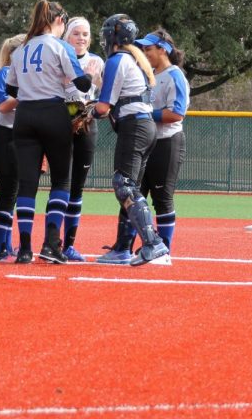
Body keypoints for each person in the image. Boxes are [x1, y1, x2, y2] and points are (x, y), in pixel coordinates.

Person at [4, 0, 92, 264]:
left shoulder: (20, 50)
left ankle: (25, 249)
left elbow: (11, 90)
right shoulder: (60, 47)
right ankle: (52, 244)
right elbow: (83, 83)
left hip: (26, 116)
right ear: (58, 21)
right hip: (54, 113)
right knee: (60, 181)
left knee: (28, 184)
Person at [93, 14, 170, 266]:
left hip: (135, 126)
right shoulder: (136, 58)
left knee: (124, 184)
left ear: (113, 37)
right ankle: (125, 248)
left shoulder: (118, 59)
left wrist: (87, 112)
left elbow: (104, 107)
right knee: (131, 187)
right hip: (144, 126)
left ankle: (153, 243)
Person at [134, 28, 190, 252]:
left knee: (162, 198)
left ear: (163, 50)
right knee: (137, 195)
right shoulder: (149, 76)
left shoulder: (174, 75)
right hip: (146, 142)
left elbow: (176, 113)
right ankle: (134, 245)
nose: (144, 53)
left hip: (167, 142)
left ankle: (164, 248)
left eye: (148, 49)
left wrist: (145, 114)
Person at [59, 17, 104, 262]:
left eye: (86, 34)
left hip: (87, 123)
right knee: (61, 184)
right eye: (76, 33)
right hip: (61, 122)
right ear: (67, 36)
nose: (82, 38)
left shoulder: (97, 61)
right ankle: (52, 242)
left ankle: (69, 245)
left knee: (77, 187)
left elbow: (103, 92)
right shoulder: (59, 57)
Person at [0, 33, 26, 260]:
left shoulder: (21, 75)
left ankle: (8, 245)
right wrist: (31, 92)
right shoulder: (4, 72)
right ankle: (0, 246)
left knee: (18, 191)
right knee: (8, 191)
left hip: (21, 137)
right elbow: (3, 106)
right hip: (5, 135)